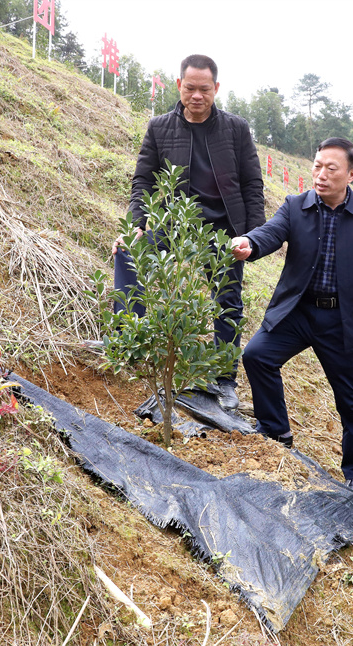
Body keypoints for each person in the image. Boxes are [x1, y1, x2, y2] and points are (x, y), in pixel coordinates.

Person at [231, 137, 353, 496]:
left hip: (344, 322)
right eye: (317, 165)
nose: (321, 175)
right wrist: (251, 243)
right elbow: (270, 233)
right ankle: (276, 431)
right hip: (298, 311)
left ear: (351, 174)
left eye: (330, 168)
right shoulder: (296, 207)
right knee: (257, 355)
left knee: (351, 400)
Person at [111, 54, 265, 409]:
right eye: (191, 88)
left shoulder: (236, 129)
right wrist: (137, 225)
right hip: (176, 224)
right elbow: (143, 181)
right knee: (127, 252)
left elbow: (252, 184)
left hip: (225, 229)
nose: (197, 96)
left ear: (216, 89)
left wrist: (253, 238)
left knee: (227, 301)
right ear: (179, 86)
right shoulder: (160, 128)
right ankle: (129, 340)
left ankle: (224, 378)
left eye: (205, 89)